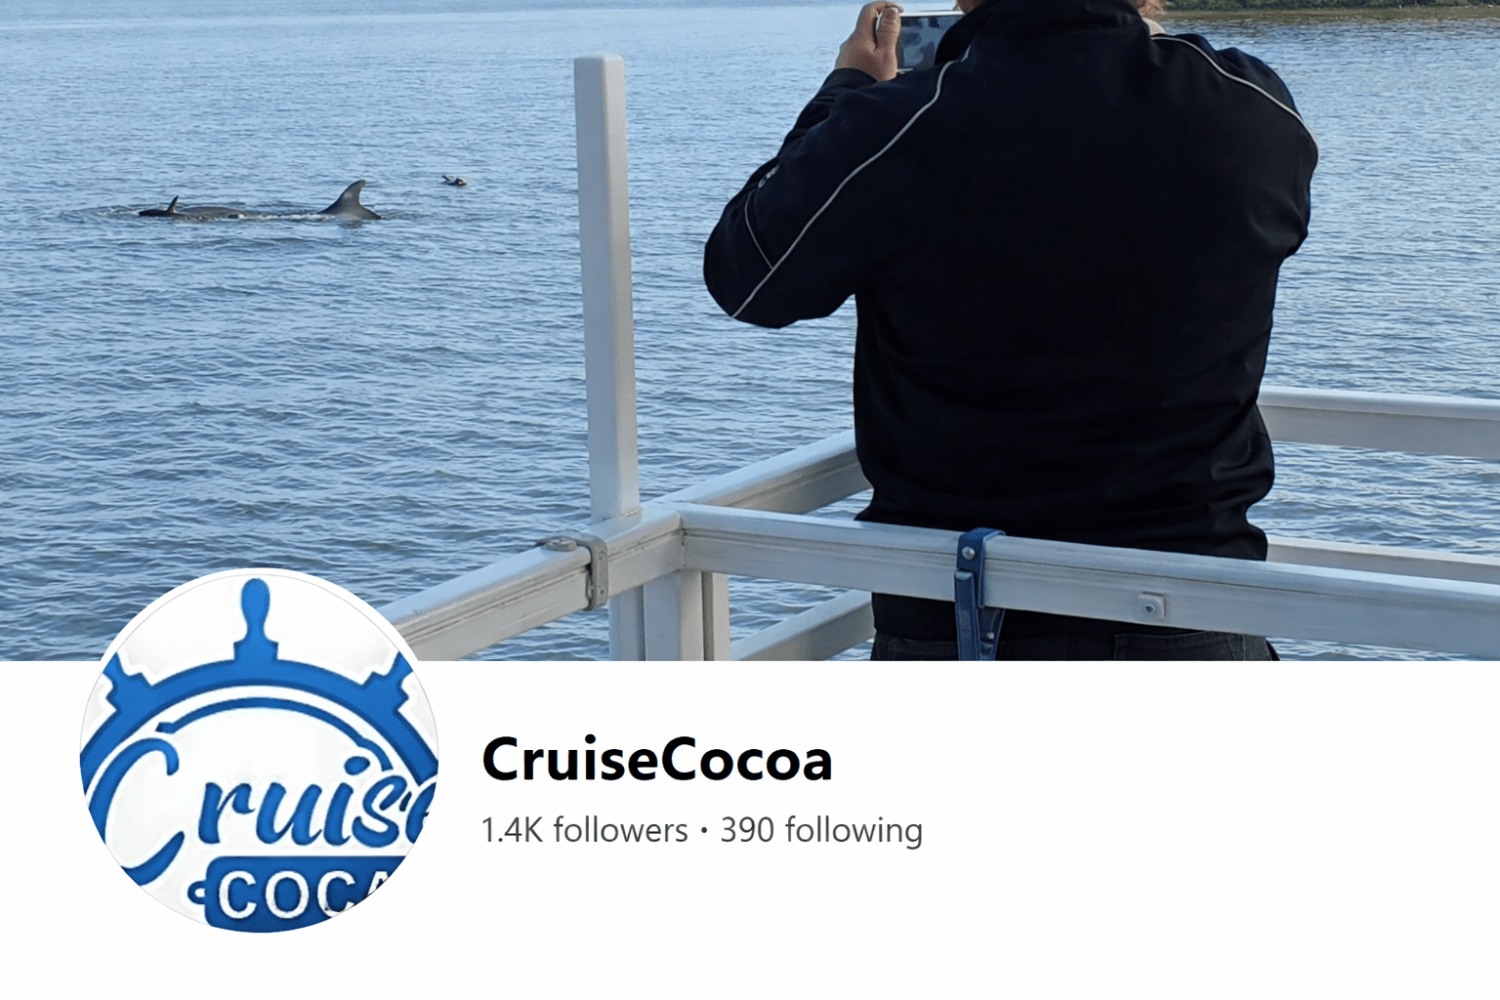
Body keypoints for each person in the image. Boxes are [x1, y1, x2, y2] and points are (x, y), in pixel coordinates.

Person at [703, 0, 1318, 660]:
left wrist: (847, 91)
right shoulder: (1250, 110)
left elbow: (749, 277)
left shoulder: (903, 125)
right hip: (1199, 612)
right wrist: (1143, 43)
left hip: (962, 620)